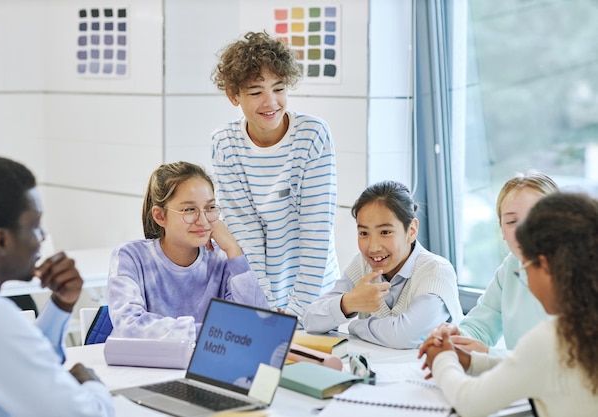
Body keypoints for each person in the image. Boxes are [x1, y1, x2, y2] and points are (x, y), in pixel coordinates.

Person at [419, 192, 598, 417]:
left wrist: (442, 359)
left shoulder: (554, 337)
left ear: (544, 266)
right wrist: (473, 361)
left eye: (524, 269)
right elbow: (535, 369)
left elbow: (469, 402)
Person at [0, 155, 113, 417]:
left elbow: (29, 363)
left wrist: (61, 305)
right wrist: (91, 384)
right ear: (1, 240)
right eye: (35, 225)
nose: (44, 237)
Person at [211, 31, 339, 318]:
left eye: (279, 88)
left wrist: (295, 313)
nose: (271, 102)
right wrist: (267, 309)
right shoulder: (225, 143)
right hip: (264, 301)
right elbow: (246, 235)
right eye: (256, 92)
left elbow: (316, 233)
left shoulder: (312, 136)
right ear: (234, 96)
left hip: (317, 298)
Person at [107, 161, 269, 341]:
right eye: (189, 209)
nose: (203, 220)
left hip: (207, 367)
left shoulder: (222, 260)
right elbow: (130, 326)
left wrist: (234, 249)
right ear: (160, 216)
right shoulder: (131, 257)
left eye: (210, 207)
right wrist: (214, 333)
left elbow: (256, 328)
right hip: (145, 368)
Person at [302, 180, 463, 348]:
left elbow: (404, 336)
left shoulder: (435, 271)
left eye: (385, 232)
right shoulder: (362, 264)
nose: (373, 247)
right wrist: (348, 303)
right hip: (380, 371)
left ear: (412, 230)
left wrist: (354, 326)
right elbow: (311, 320)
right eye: (363, 233)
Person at [430, 171, 558, 355]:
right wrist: (456, 338)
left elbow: (556, 365)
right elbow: (481, 324)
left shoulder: (579, 275)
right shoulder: (511, 266)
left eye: (535, 218)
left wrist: (489, 355)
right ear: (502, 230)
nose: (523, 230)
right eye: (512, 221)